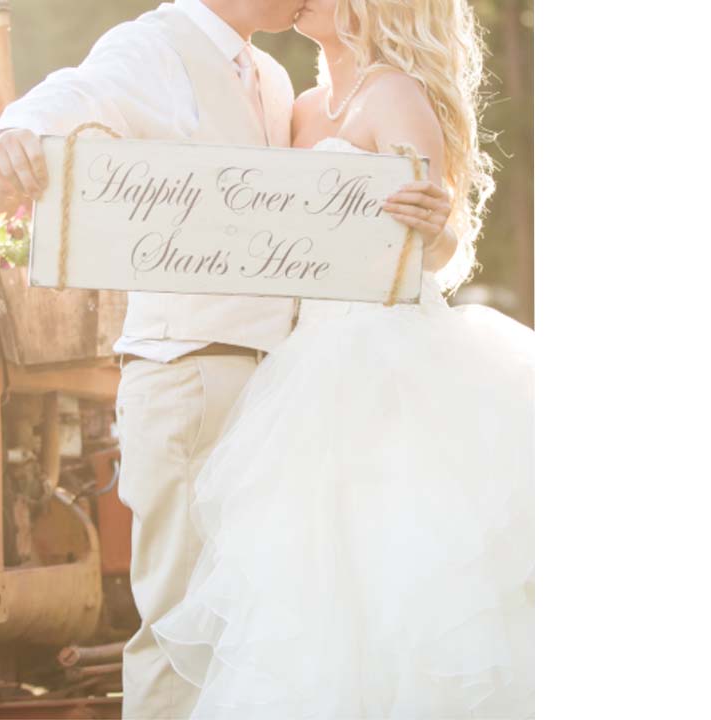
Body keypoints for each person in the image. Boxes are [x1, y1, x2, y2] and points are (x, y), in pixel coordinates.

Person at [150, 0, 535, 717]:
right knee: (308, 584)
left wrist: (435, 224)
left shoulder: (397, 92)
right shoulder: (299, 107)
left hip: (386, 355)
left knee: (395, 567)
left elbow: (443, 241)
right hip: (306, 358)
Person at [0, 2, 308, 717]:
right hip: (187, 375)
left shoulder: (276, 78)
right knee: (178, 626)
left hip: (271, 383)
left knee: (247, 628)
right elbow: (76, 93)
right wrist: (17, 132)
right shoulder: (154, 44)